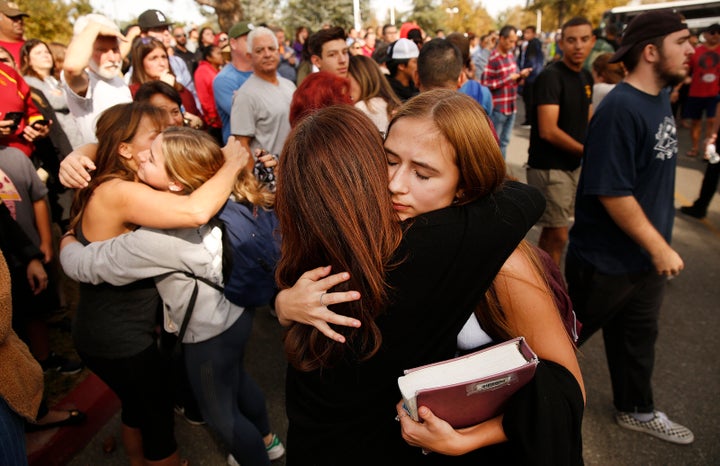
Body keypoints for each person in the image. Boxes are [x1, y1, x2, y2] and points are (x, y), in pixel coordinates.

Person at [274, 92, 581, 464]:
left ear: (466, 186)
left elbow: (568, 390)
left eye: (423, 173)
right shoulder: (374, 233)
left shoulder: (503, 264)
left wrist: (469, 440)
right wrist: (287, 304)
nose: (395, 184)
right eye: (387, 161)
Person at [60, 126, 285, 466]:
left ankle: (258, 457)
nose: (141, 156)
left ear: (177, 184)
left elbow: (84, 265)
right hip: (239, 315)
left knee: (220, 413)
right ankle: (269, 441)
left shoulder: (155, 239)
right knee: (237, 380)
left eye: (151, 157)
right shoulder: (221, 191)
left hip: (207, 337)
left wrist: (67, 237)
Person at [565, 11, 695, 445]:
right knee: (562, 342)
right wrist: (659, 248)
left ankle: (636, 409)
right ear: (652, 51)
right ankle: (504, 403)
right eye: (683, 41)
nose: (692, 49)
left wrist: (655, 250)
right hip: (605, 262)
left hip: (642, 259)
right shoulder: (620, 108)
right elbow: (613, 192)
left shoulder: (660, 97)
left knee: (638, 341)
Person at [526, 16, 595, 267]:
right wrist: (588, 151)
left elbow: (588, 117)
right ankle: (551, 293)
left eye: (584, 39)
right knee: (557, 235)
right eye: (571, 40)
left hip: (573, 166)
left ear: (593, 42)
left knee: (555, 233)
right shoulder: (551, 77)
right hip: (550, 168)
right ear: (561, 43)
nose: (578, 46)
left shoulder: (586, 76)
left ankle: (546, 284)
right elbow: (548, 130)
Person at [61, 13, 132, 145]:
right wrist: (93, 28)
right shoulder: (85, 82)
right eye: (102, 50)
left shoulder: (118, 82)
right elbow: (72, 67)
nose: (112, 57)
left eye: (115, 49)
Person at [230, 26, 295, 157]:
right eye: (259, 50)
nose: (267, 54)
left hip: (295, 170)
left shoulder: (290, 85)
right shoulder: (245, 96)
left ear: (278, 52)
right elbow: (242, 146)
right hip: (269, 175)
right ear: (249, 56)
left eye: (271, 49)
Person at [20, 38, 84, 149]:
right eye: (38, 53)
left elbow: (79, 99)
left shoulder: (56, 80)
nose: (45, 55)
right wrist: (69, 94)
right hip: (60, 141)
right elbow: (55, 102)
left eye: (47, 52)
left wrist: (64, 94)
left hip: (78, 137)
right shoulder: (29, 82)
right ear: (27, 60)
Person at [481, 25, 532, 158]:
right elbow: (486, 84)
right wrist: (508, 79)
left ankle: (501, 171)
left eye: (514, 41)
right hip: (498, 109)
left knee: (504, 142)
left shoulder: (510, 56)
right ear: (502, 39)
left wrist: (520, 76)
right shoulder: (493, 59)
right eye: (510, 41)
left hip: (511, 106)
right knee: (494, 145)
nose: (513, 44)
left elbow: (513, 78)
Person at [128, 37, 201, 121]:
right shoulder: (134, 93)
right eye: (153, 58)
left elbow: (197, 115)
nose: (162, 63)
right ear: (141, 63)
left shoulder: (181, 89)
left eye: (164, 57)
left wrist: (199, 122)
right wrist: (165, 89)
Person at [213, 21, 253, 144]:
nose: (254, 44)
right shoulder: (223, 80)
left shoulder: (268, 73)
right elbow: (245, 117)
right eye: (248, 40)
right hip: (243, 152)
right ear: (233, 44)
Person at [683, 23, 720, 157]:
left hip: (715, 94)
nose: (715, 35)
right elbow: (686, 68)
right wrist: (683, 80)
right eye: (712, 32)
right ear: (705, 35)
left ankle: (707, 150)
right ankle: (694, 148)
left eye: (718, 33)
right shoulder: (696, 51)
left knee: (712, 123)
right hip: (696, 93)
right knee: (696, 122)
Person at [348, 54, 400, 133]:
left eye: (347, 81)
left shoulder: (363, 108)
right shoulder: (388, 103)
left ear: (361, 77)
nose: (344, 88)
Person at [193, 44, 223, 143]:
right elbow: (204, 96)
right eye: (218, 53)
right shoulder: (202, 71)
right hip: (214, 121)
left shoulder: (218, 70)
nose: (221, 55)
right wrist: (212, 114)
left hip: (221, 117)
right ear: (209, 57)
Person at [517, 25, 544, 126]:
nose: (525, 35)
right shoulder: (529, 44)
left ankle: (530, 120)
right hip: (532, 76)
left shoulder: (533, 44)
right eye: (525, 32)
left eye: (528, 33)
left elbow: (532, 61)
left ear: (533, 33)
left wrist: (526, 75)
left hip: (531, 77)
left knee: (529, 99)